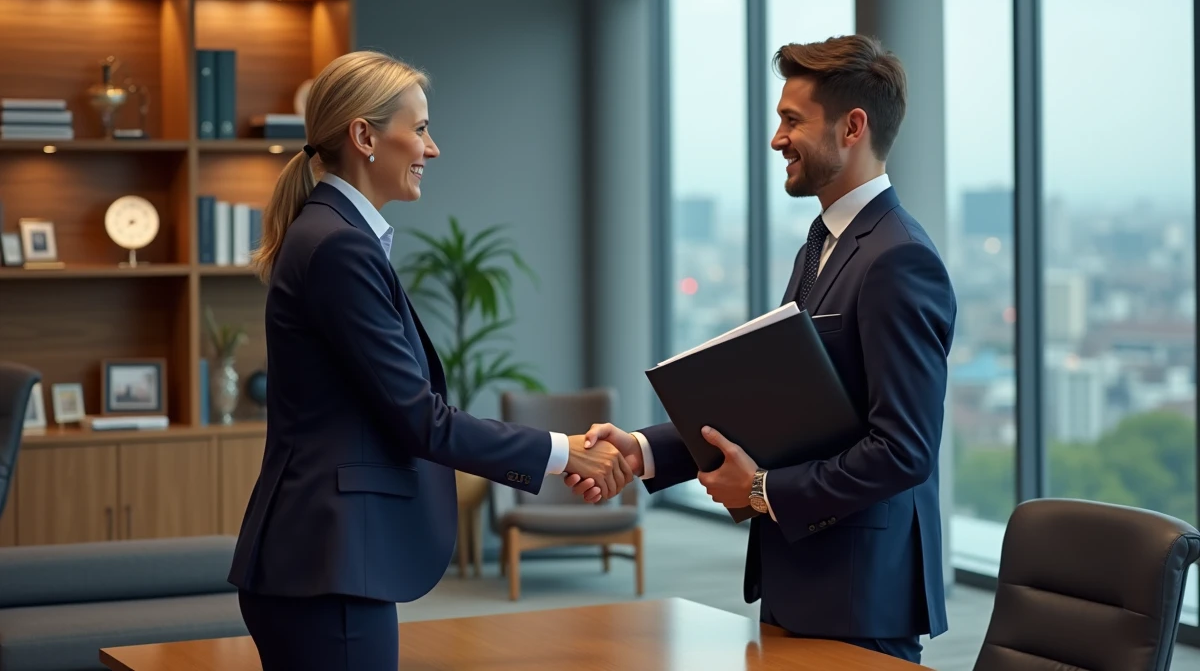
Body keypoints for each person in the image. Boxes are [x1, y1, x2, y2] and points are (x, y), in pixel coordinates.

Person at [227, 50, 630, 671]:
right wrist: (564, 451)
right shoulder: (338, 246)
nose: (431, 149)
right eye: (418, 129)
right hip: (329, 563)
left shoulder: (332, 235)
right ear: (364, 136)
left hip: (323, 561)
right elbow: (419, 418)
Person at [566, 35, 956, 664]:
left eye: (791, 120)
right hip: (802, 581)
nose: (777, 139)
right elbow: (781, 411)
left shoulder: (898, 258)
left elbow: (904, 451)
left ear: (853, 127)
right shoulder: (821, 245)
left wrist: (762, 491)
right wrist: (641, 451)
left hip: (860, 595)